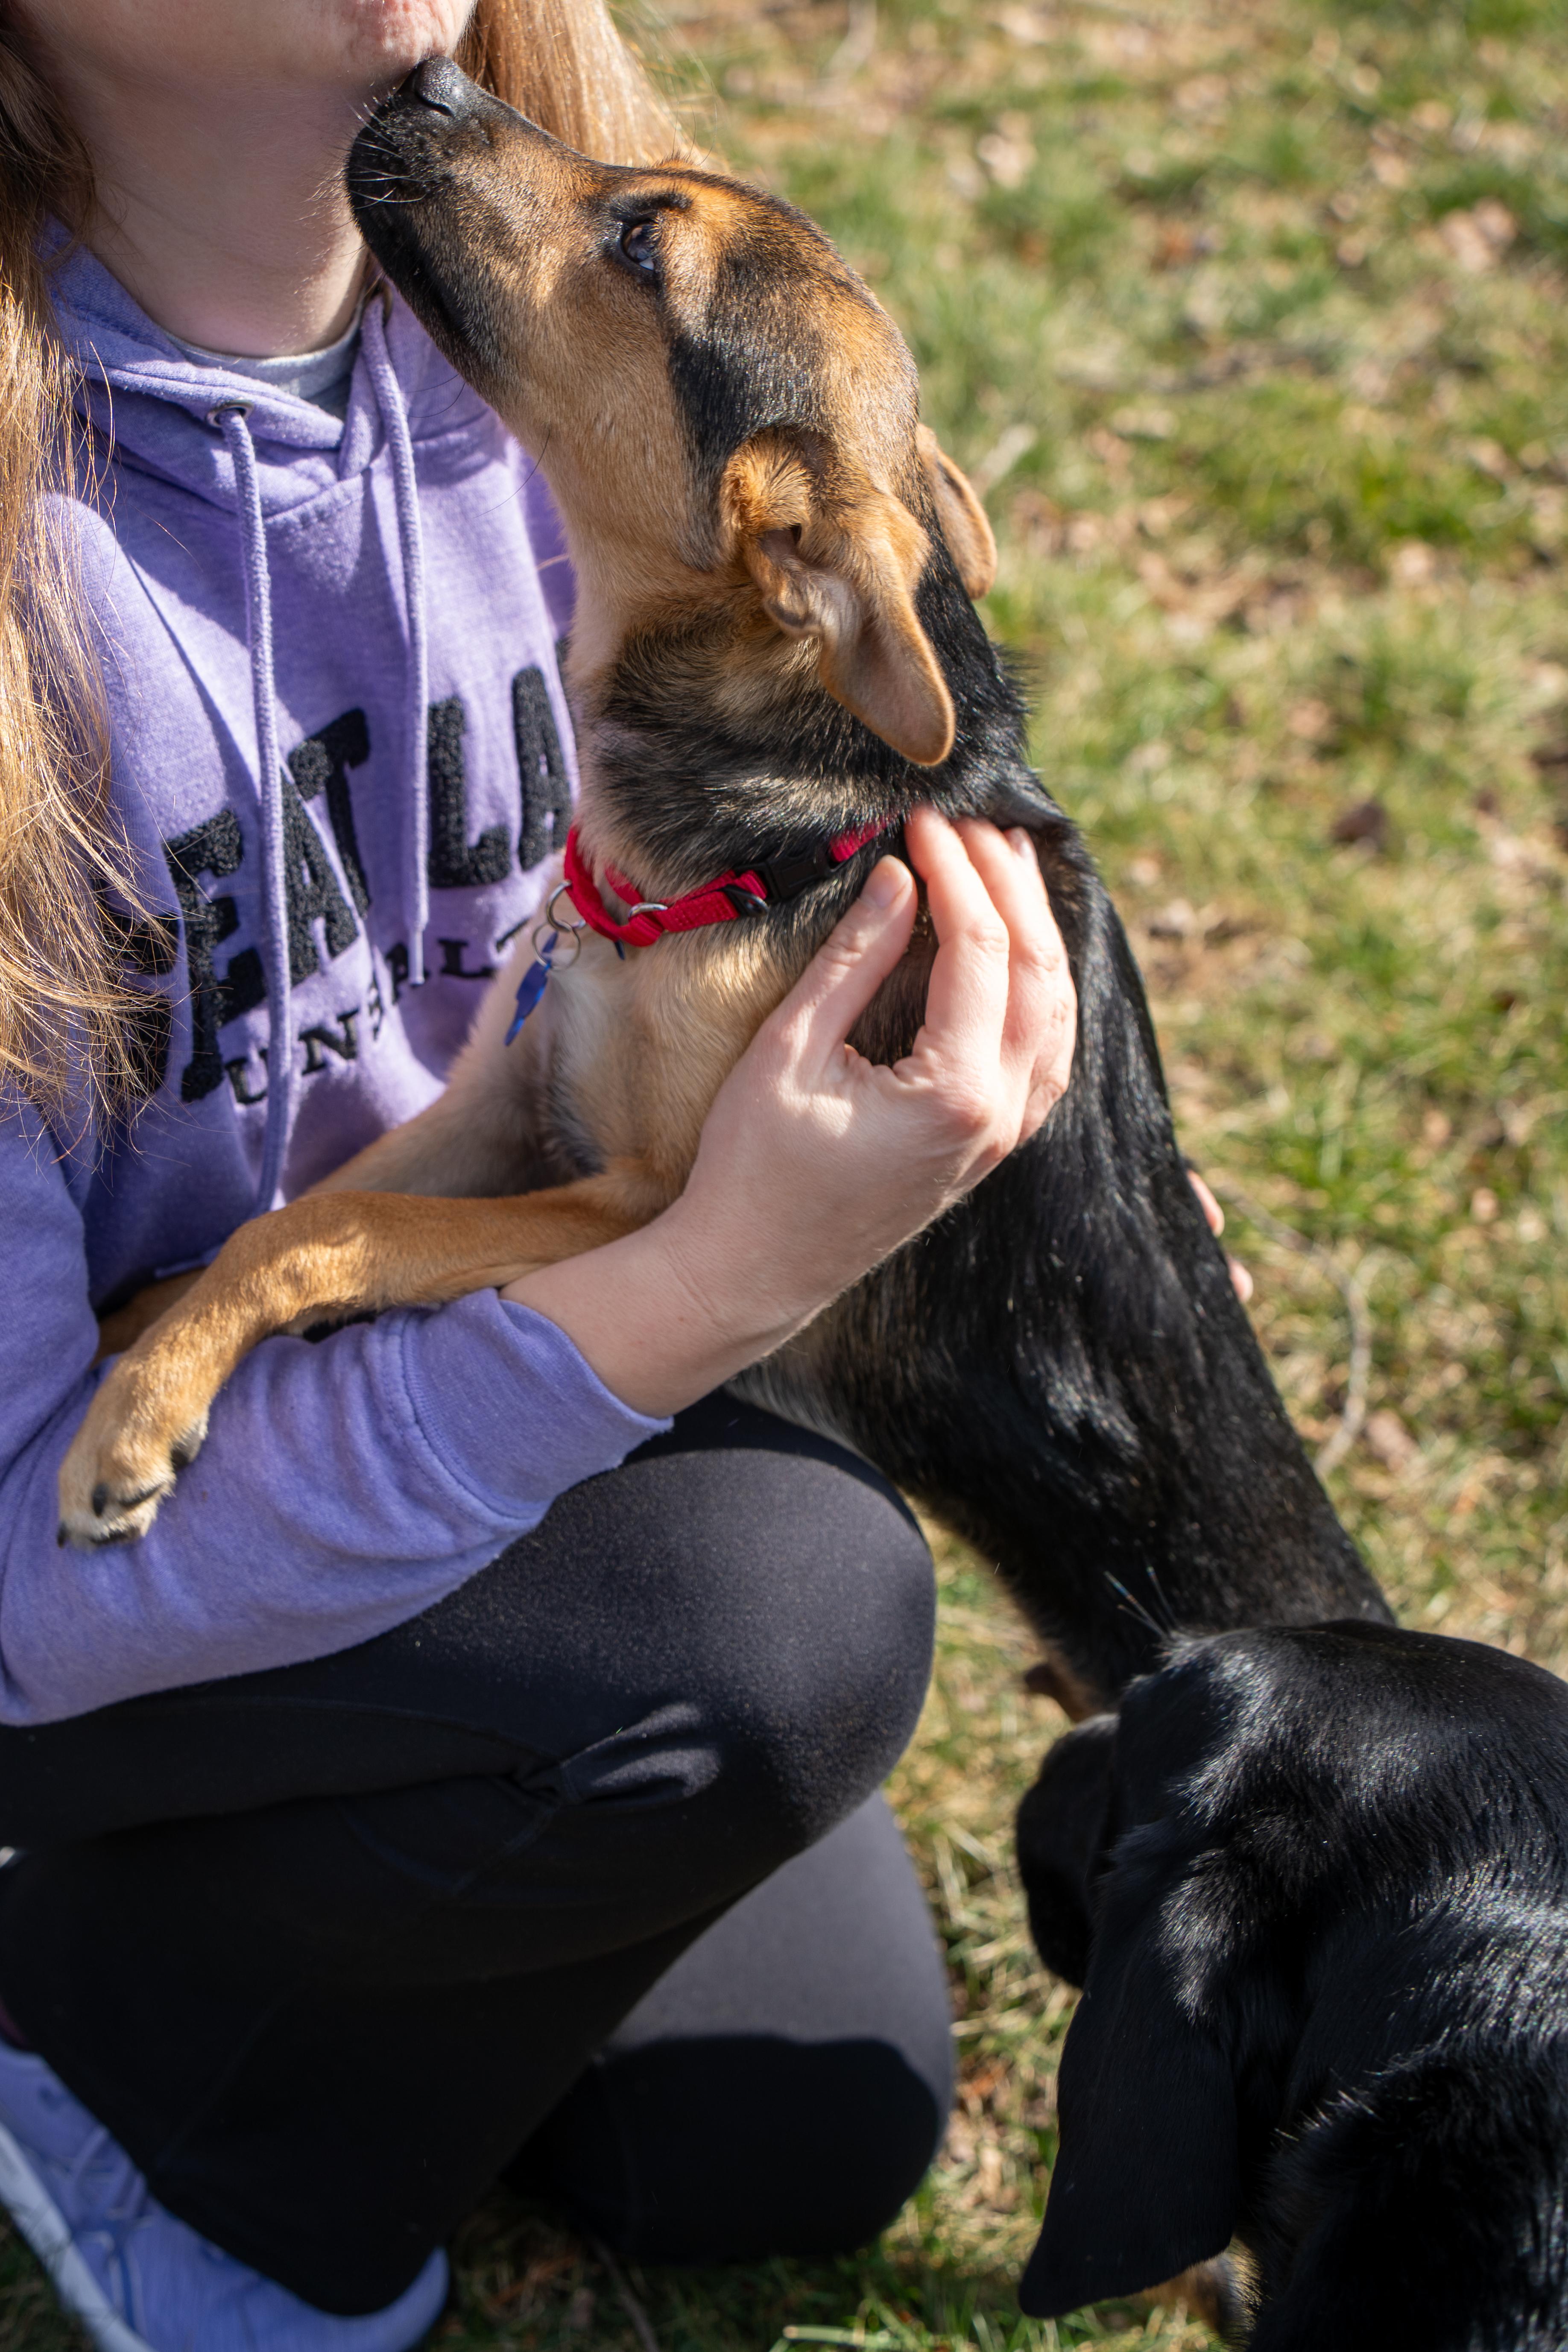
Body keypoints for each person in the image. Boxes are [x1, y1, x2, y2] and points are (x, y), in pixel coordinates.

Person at [0, 6, 1080, 2349]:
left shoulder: (587, 327)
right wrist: (708, 1276)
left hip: (442, 1352)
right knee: (777, 1627)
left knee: (778, 2135)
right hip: (62, 1541)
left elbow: (866, 774)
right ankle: (95, 2037)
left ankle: (312, 1879)